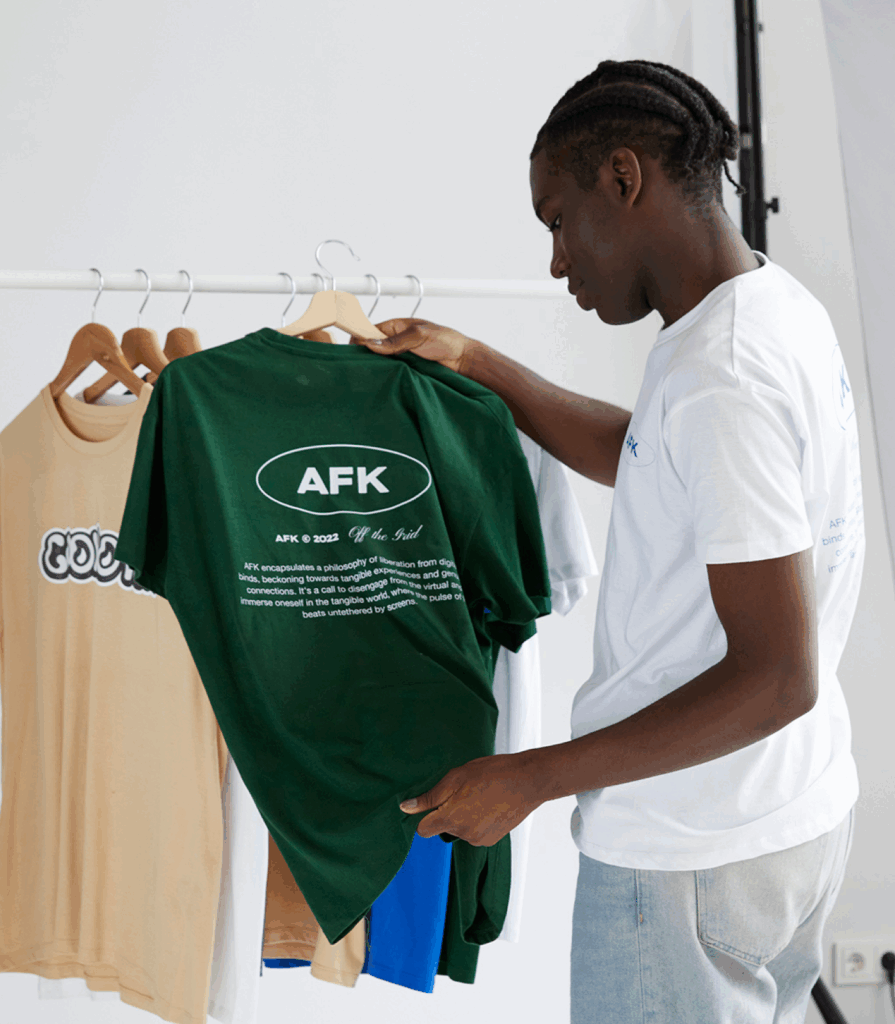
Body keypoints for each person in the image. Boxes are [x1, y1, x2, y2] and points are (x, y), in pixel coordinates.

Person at [355, 59, 862, 1024]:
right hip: (787, 820)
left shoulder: (724, 372)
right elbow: (658, 460)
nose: (556, 261)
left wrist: (531, 776)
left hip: (689, 858)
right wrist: (478, 364)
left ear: (622, 178)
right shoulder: (768, 309)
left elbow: (778, 674)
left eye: (556, 219)